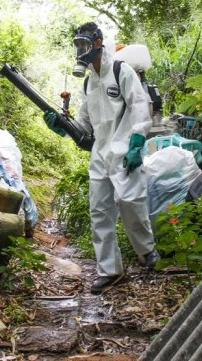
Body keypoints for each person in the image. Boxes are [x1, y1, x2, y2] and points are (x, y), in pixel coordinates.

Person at [44, 22, 160, 294]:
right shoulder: (88, 82)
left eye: (84, 44)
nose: (80, 51)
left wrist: (137, 142)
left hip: (123, 150)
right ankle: (110, 270)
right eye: (77, 46)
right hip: (100, 153)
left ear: (98, 43)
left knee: (129, 201)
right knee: (99, 211)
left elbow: (140, 106)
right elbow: (85, 124)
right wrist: (62, 126)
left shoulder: (121, 71)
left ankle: (147, 252)